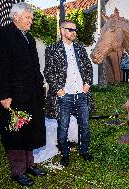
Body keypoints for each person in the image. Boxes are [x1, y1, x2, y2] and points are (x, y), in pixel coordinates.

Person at [0, 2, 46, 186]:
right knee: (16, 132)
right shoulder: (2, 35)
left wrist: (41, 87)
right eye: (28, 17)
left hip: (31, 96)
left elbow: (35, 67)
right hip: (13, 96)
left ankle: (29, 165)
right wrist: (4, 95)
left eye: (31, 18)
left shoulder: (28, 38)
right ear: (16, 17)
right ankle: (18, 171)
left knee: (29, 131)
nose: (31, 21)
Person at [44, 20, 94, 167]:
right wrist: (58, 90)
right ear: (62, 30)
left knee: (84, 125)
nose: (74, 32)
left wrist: (87, 84)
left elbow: (88, 67)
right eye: (71, 29)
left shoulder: (79, 48)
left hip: (81, 94)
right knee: (63, 126)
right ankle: (64, 154)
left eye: (75, 30)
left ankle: (84, 151)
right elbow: (48, 72)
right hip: (64, 95)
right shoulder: (52, 49)